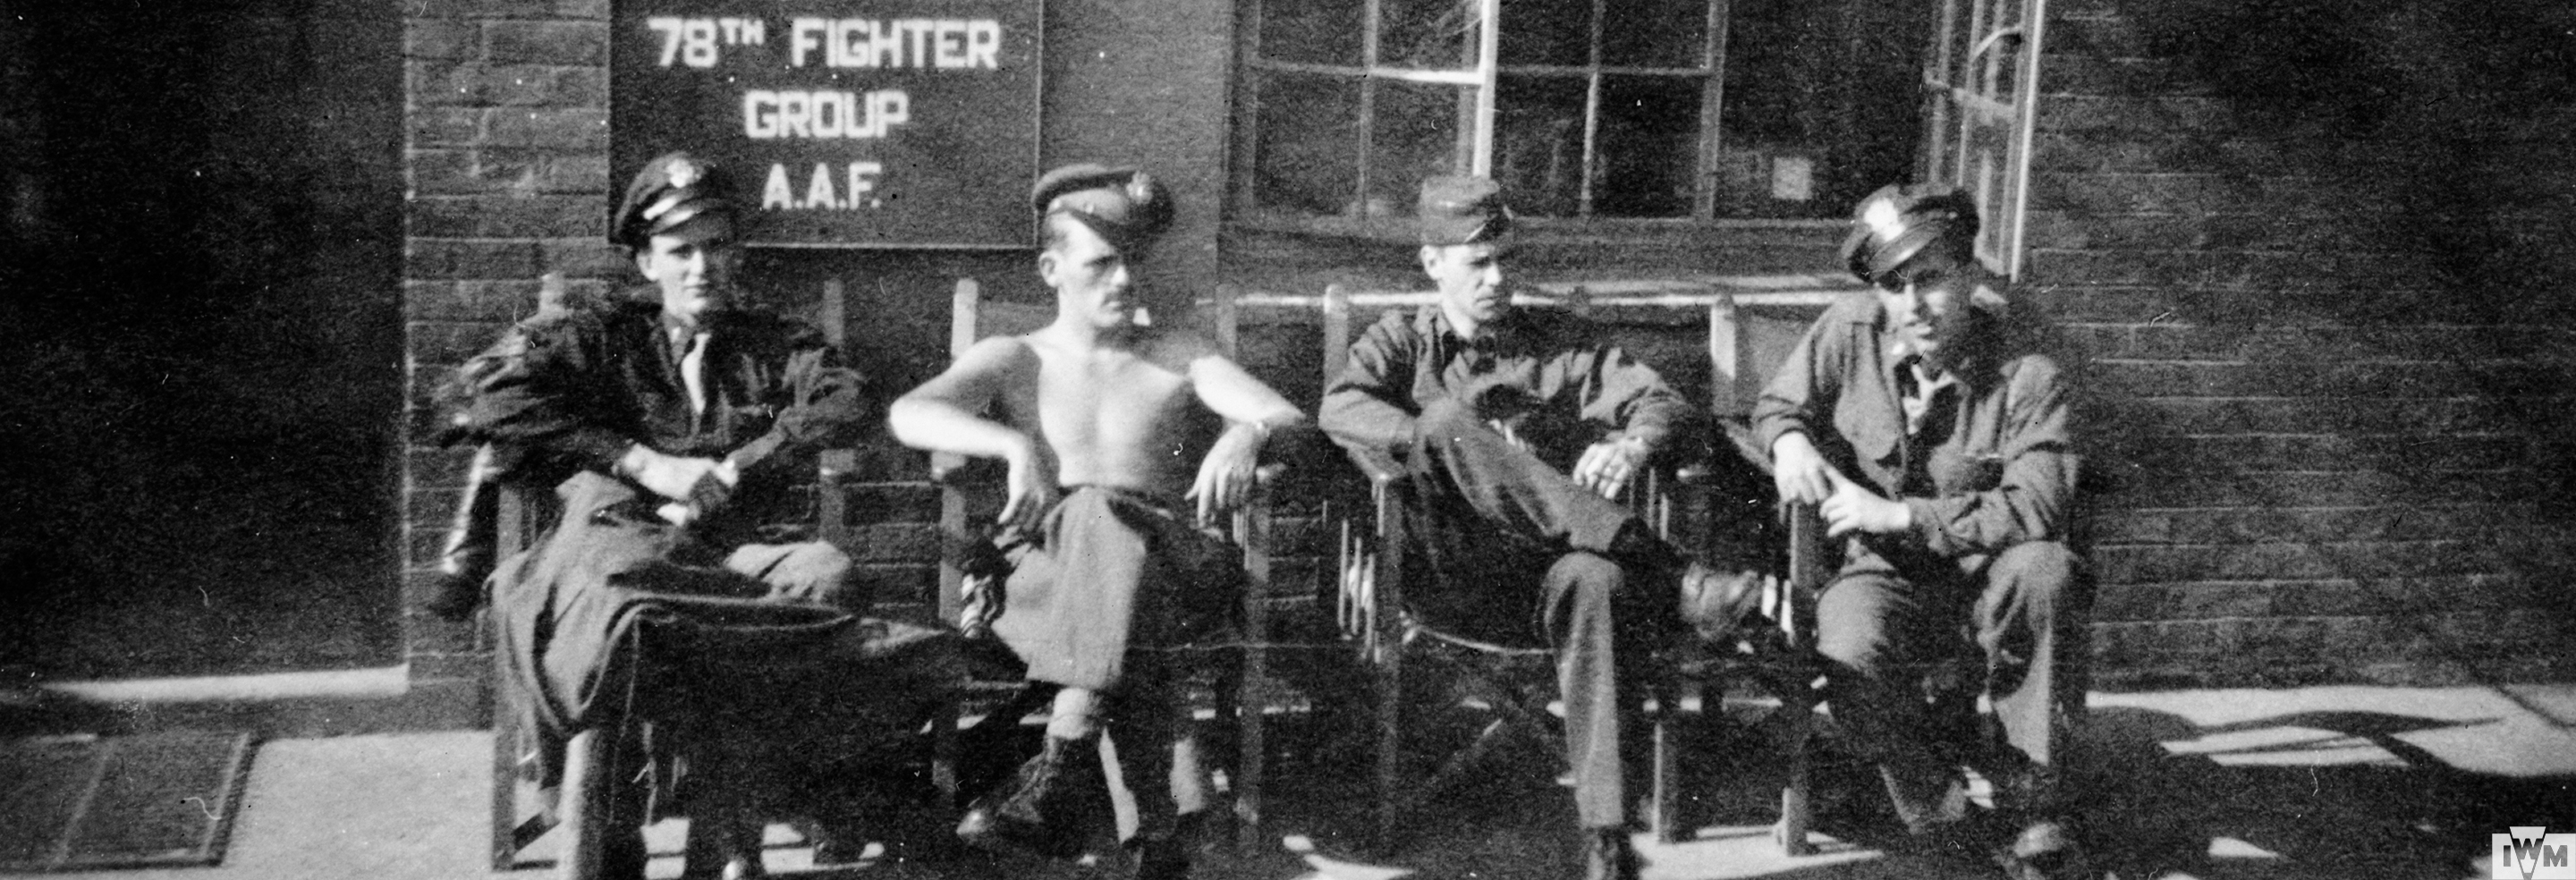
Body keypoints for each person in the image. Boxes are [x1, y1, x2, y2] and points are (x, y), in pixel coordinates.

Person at [448, 151, 961, 876]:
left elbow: (847, 395)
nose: (701, 268)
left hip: (737, 549)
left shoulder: (772, 341)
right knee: (625, 588)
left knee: (825, 570)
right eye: (680, 251)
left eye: (717, 247)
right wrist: (642, 461)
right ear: (645, 261)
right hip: (626, 537)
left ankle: (727, 833)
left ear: (738, 254)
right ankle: (612, 828)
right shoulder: (602, 335)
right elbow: (480, 395)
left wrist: (742, 464)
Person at [1316, 174, 1763, 880]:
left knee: (1597, 578)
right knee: (1445, 422)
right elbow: (1340, 410)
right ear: (1433, 264)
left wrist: (1631, 445)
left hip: (1553, 570)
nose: (1498, 279)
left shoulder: (1560, 345)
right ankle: (1670, 571)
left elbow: (1663, 400)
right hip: (1453, 573)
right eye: (1477, 263)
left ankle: (1605, 834)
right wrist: (1450, 447)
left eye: (1506, 260)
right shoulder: (1403, 344)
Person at [886, 164, 1307, 880]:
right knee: (1098, 532)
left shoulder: (1179, 354)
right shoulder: (1015, 357)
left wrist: (1246, 435)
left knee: (1105, 517)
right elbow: (908, 414)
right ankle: (1159, 835)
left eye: (1134, 261)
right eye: (1102, 263)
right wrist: (1012, 443)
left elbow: (1288, 418)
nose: (1124, 280)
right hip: (1044, 580)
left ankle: (1063, 765)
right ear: (1052, 269)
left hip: (1176, 568)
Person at [1752, 182, 2096, 878]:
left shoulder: (2029, 370)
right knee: (1847, 650)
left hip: (1987, 573)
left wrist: (1905, 514)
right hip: (1878, 572)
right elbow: (1776, 405)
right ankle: (1941, 811)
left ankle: (2031, 805)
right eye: (1893, 285)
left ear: (1970, 274)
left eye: (1932, 279)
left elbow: (2038, 504)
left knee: (2047, 568)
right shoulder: (1849, 332)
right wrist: (1788, 440)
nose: (1913, 305)